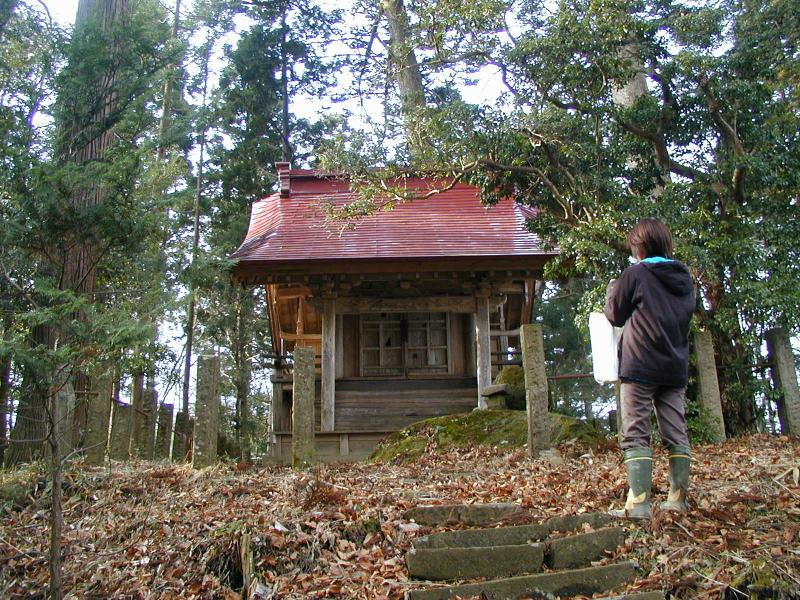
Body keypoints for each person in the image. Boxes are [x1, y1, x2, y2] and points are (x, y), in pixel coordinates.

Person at [604, 218, 695, 519]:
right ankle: (678, 499)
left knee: (636, 430)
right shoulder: (684, 278)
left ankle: (640, 503)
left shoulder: (636, 274)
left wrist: (613, 290)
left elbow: (615, 314)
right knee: (675, 429)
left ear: (639, 246)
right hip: (674, 366)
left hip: (640, 363)